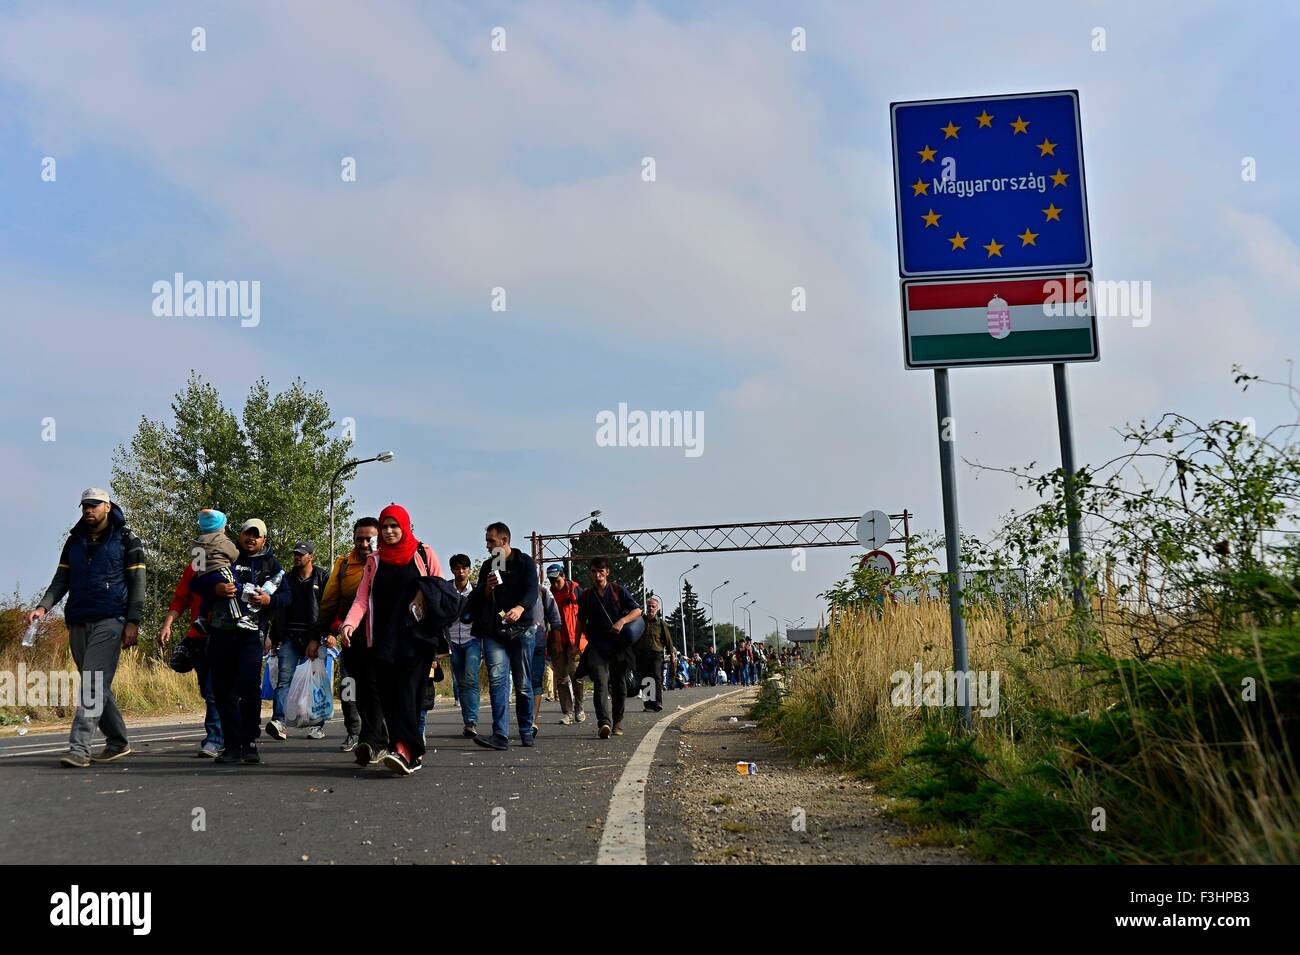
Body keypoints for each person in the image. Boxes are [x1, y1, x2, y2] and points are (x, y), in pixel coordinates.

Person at [29, 488, 145, 768]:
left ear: (107, 506)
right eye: (84, 506)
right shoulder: (75, 541)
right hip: (78, 619)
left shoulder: (128, 539)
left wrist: (133, 622)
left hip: (111, 618)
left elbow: (138, 584)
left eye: (94, 506)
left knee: (92, 683)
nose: (88, 511)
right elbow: (61, 579)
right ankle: (117, 741)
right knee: (97, 685)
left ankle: (79, 748)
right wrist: (43, 607)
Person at [340, 504, 443, 775]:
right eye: (385, 526)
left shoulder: (423, 553)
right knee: (389, 696)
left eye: (394, 526)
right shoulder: (375, 561)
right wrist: (350, 624)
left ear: (405, 526)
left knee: (408, 694)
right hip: (384, 640)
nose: (388, 531)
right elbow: (363, 598)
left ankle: (406, 751)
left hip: (417, 640)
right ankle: (397, 746)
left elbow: (439, 588)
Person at [465, 522, 538, 751]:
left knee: (523, 683)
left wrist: (520, 608)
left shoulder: (525, 562)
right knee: (498, 683)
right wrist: (486, 588)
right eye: (486, 541)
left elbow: (532, 591)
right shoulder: (488, 566)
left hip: (522, 630)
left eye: (491, 541)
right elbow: (476, 599)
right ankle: (500, 735)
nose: (487, 546)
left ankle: (526, 730)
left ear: (504, 542)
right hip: (495, 632)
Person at [318, 518, 379, 752]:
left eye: (369, 539)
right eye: (359, 539)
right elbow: (329, 601)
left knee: (375, 690)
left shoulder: (389, 563)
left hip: (380, 641)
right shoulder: (343, 565)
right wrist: (320, 634)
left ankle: (375, 736)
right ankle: (353, 731)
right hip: (350, 640)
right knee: (348, 687)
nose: (364, 544)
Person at [266, 541, 331, 741]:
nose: (297, 557)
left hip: (315, 637)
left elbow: (329, 606)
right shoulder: (286, 579)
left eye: (302, 554)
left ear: (311, 556)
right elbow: (278, 609)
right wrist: (273, 637)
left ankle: (317, 725)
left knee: (316, 681)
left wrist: (328, 634)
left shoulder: (323, 577)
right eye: (295, 553)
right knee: (284, 679)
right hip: (290, 637)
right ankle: (279, 721)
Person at [160, 560, 224, 758]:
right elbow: (181, 597)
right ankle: (226, 735)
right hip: (198, 637)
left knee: (215, 691)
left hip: (224, 635)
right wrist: (167, 624)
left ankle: (215, 739)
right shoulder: (197, 563)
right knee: (207, 690)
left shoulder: (232, 559)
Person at [575, 557, 641, 739]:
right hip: (597, 644)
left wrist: (622, 621)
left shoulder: (618, 591)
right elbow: (580, 621)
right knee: (600, 682)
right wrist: (575, 645)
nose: (597, 575)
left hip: (618, 645)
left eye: (601, 571)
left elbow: (637, 610)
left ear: (607, 572)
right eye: (594, 572)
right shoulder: (586, 595)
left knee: (619, 684)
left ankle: (617, 722)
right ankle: (604, 722)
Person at [444, 553, 480, 737]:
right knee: (461, 682)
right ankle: (468, 720)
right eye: (457, 568)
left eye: (464, 568)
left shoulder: (476, 590)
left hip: (472, 640)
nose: (461, 572)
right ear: (452, 570)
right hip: (453, 641)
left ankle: (471, 721)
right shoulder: (446, 589)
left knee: (471, 678)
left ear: (469, 570)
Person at [546, 564, 586, 725]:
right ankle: (567, 712)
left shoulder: (577, 592)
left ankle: (579, 707)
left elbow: (586, 614)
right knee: (561, 678)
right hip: (556, 642)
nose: (554, 584)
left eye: (556, 580)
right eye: (551, 581)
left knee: (576, 674)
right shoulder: (548, 595)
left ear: (563, 576)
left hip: (574, 642)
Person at [531, 579, 563, 735]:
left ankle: (532, 721)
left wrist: (556, 642)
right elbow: (500, 611)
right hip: (516, 646)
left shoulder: (542, 591)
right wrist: (506, 618)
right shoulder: (510, 589)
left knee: (535, 682)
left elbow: (555, 618)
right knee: (521, 683)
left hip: (537, 644)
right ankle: (526, 719)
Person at [635, 596, 674, 712]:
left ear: (657, 609)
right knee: (645, 679)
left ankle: (657, 703)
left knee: (656, 677)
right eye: (649, 606)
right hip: (642, 654)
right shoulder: (641, 621)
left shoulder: (661, 623)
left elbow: (668, 640)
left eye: (653, 606)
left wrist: (671, 653)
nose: (651, 608)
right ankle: (648, 704)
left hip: (656, 654)